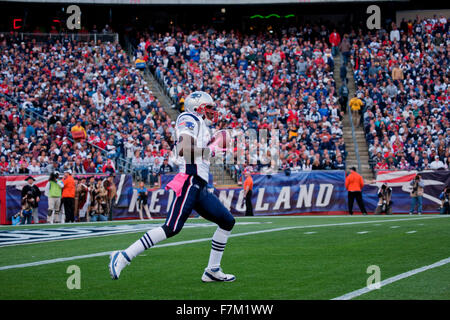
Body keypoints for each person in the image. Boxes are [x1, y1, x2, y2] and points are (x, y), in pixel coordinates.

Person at [109, 91, 236, 282]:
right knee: (171, 227)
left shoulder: (200, 125)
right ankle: (124, 256)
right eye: (208, 107)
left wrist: (210, 152)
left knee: (227, 221)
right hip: (190, 180)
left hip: (199, 185)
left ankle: (212, 269)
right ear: (198, 107)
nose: (212, 111)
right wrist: (210, 150)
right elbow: (185, 150)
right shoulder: (189, 118)